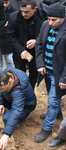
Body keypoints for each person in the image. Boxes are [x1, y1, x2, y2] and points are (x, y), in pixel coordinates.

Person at [34, 2, 66, 143]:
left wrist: (64, 78)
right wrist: (40, 64)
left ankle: (47, 128)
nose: (50, 22)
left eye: (54, 20)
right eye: (49, 19)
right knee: (52, 96)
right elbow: (39, 44)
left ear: (63, 18)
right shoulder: (45, 25)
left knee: (52, 101)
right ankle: (58, 114)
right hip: (46, 70)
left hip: (60, 73)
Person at [0, 67, 37, 150]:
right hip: (12, 99)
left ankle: (26, 114)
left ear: (9, 81)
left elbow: (16, 111)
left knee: (6, 119)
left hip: (25, 105)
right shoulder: (7, 73)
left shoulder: (18, 91)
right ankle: (9, 107)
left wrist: (6, 135)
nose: (0, 91)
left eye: (2, 88)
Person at [6, 0, 47, 89]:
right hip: (19, 49)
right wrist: (21, 50)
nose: (24, 14)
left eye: (27, 12)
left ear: (35, 9)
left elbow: (47, 33)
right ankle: (21, 90)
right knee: (19, 72)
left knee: (34, 72)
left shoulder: (44, 16)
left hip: (37, 50)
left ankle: (30, 90)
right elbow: (10, 36)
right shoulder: (13, 17)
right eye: (22, 11)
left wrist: (37, 41)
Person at [0, 0, 16, 72]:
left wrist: (10, 24)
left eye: (6, 3)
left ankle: (11, 74)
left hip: (8, 39)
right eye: (3, 3)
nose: (4, 5)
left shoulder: (13, 10)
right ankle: (1, 77)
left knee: (9, 59)